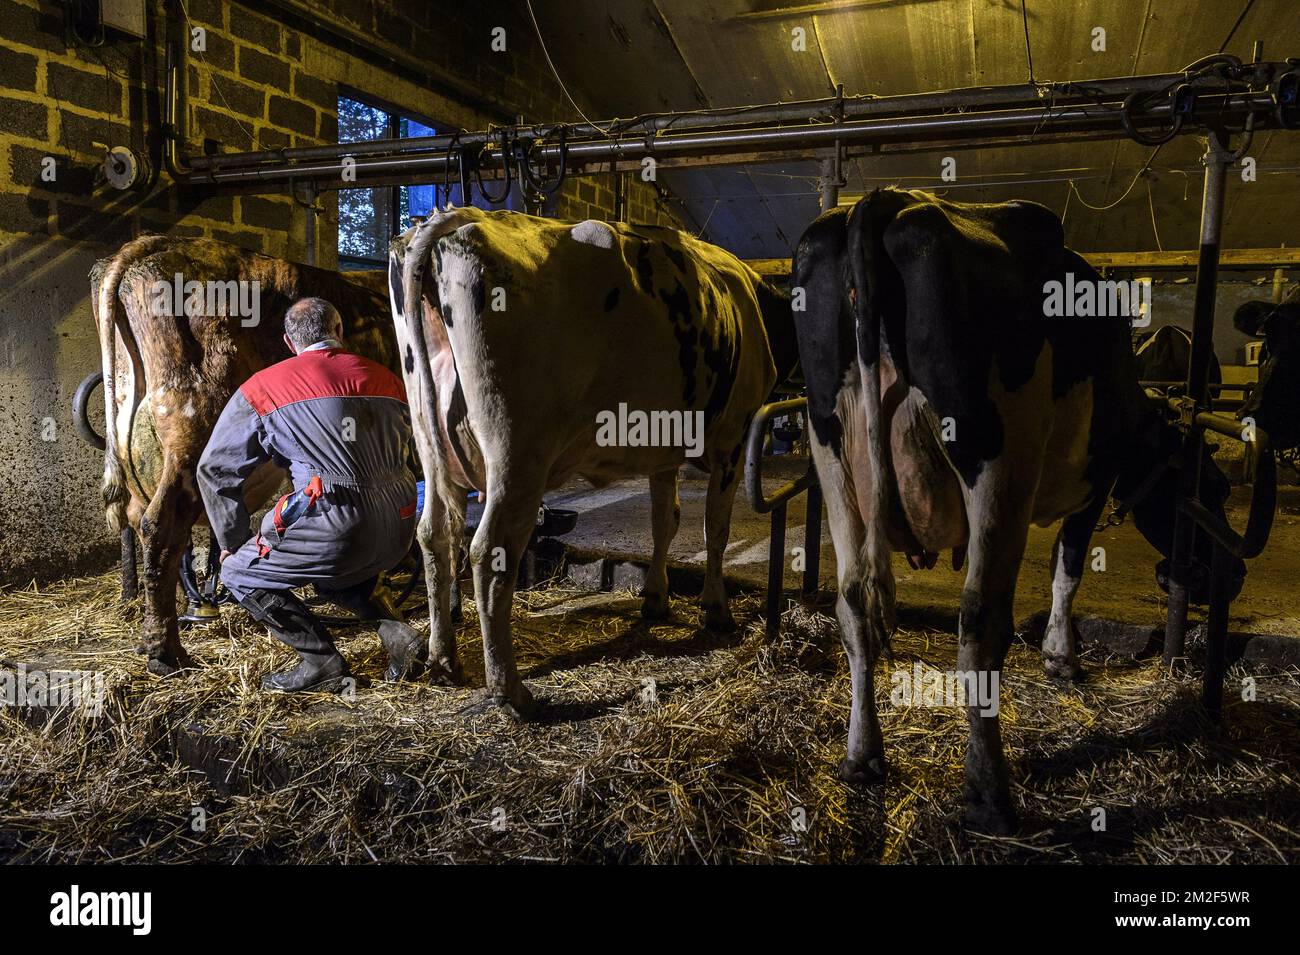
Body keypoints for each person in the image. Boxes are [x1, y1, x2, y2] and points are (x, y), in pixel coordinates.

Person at [197, 297, 425, 692]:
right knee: (336, 563)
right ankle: (401, 638)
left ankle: (321, 662)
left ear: (289, 342)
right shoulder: (389, 379)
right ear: (339, 332)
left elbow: (215, 469)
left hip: (334, 525)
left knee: (238, 572)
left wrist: (234, 544)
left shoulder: (263, 388)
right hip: (400, 525)